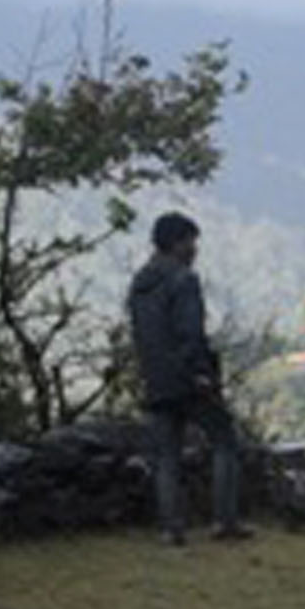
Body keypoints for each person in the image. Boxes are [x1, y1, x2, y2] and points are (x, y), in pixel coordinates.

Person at [127, 211, 247, 545]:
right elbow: (189, 333)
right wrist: (201, 374)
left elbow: (141, 334)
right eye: (191, 241)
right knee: (225, 440)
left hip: (155, 378)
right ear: (177, 243)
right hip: (187, 379)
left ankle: (170, 528)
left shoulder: (140, 283)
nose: (195, 249)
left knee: (166, 455)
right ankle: (224, 521)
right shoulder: (183, 280)